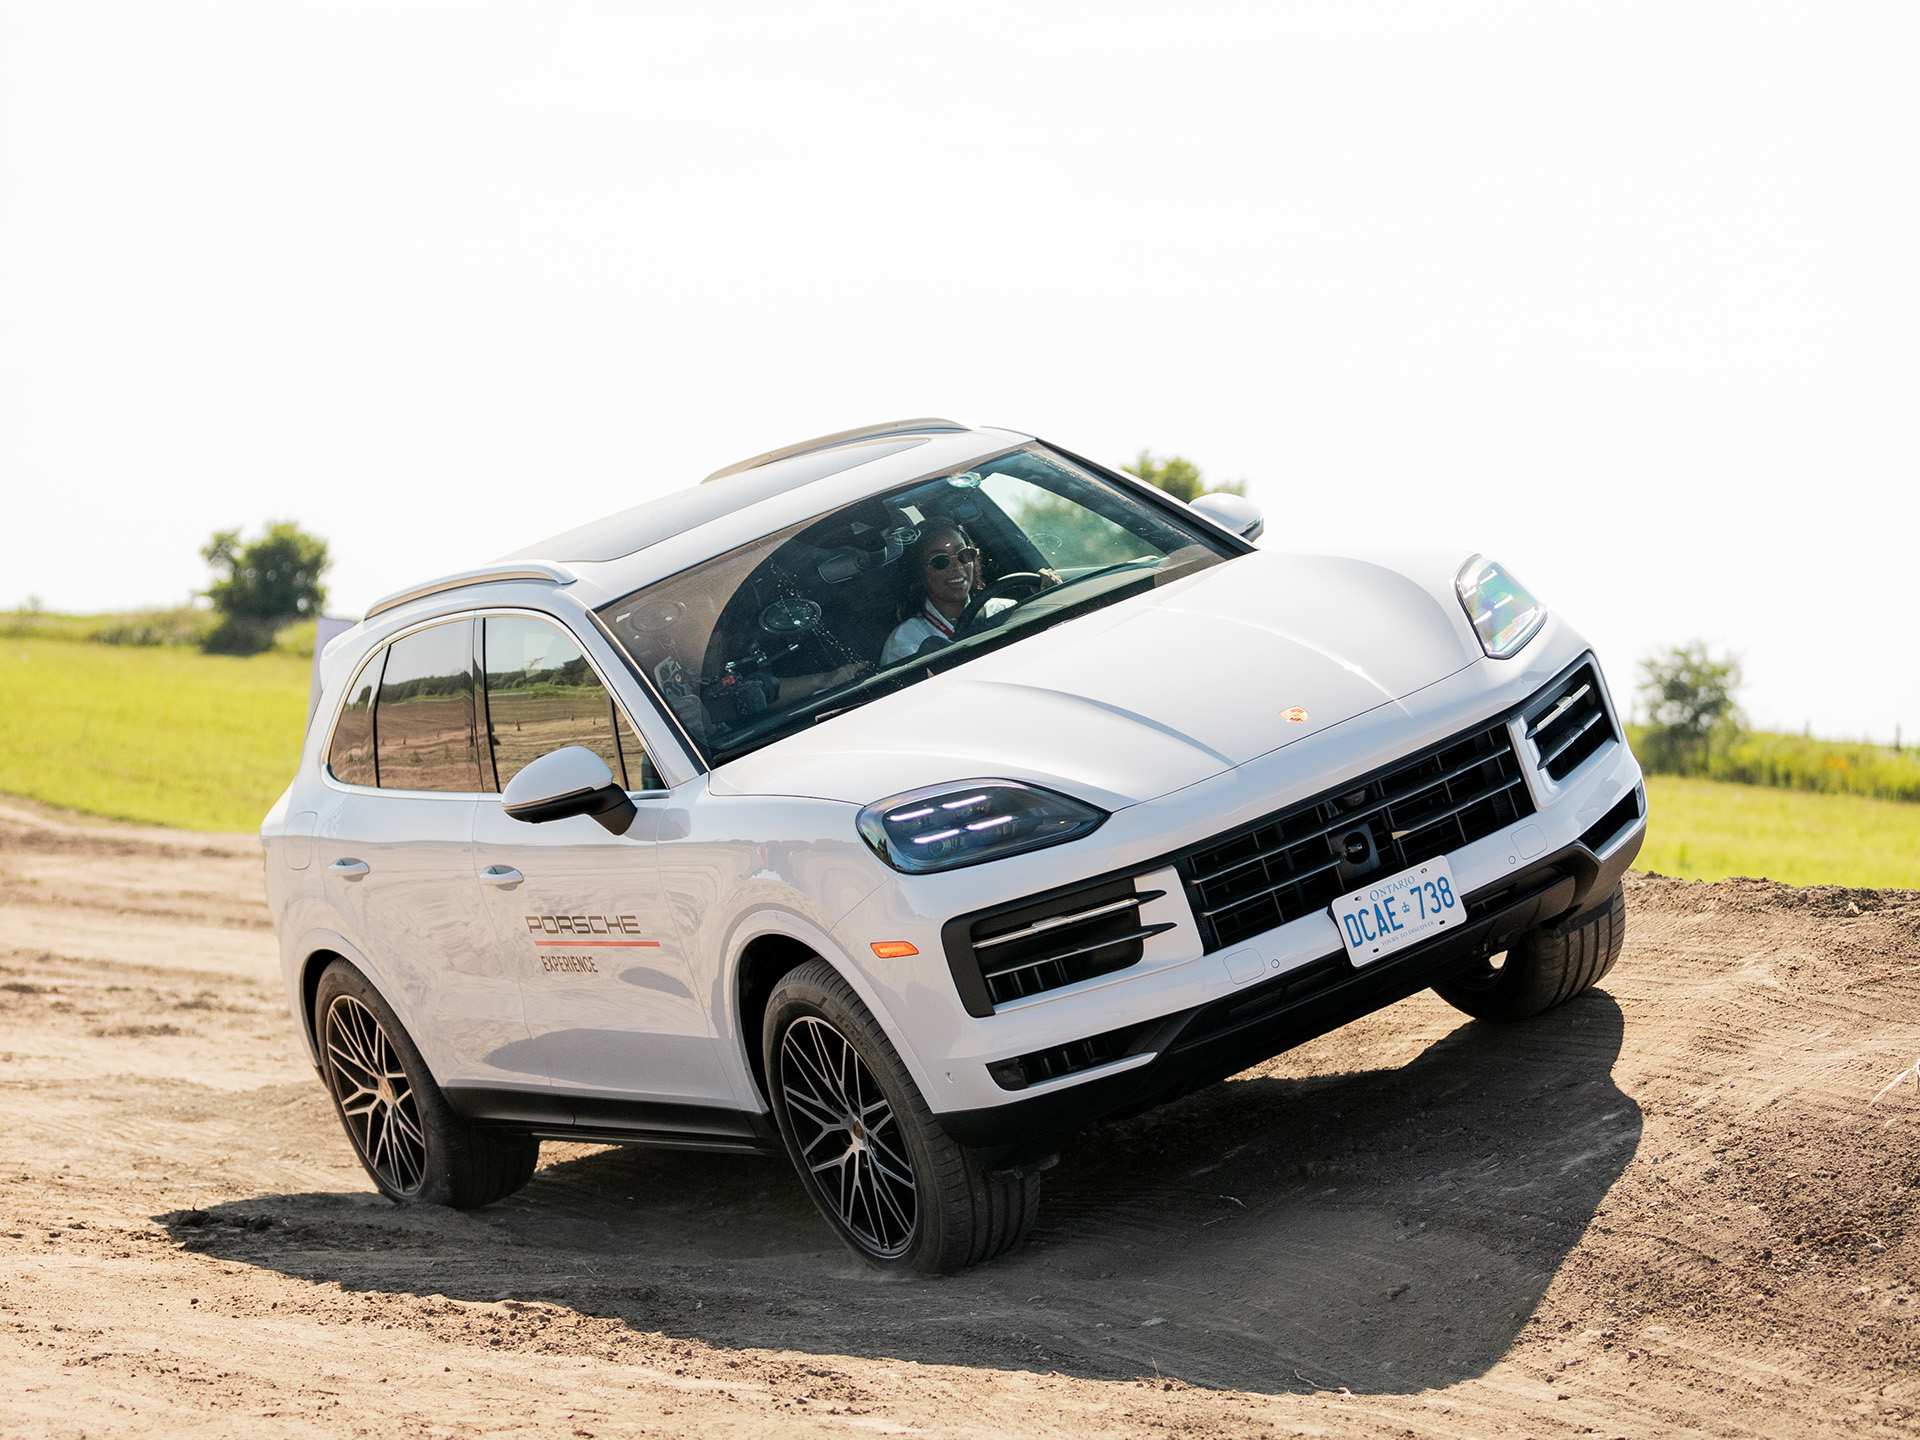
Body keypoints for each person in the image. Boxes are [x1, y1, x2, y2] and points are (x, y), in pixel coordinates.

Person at [880, 522, 1014, 665]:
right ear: (919, 574)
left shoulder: (1005, 610)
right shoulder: (905, 641)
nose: (957, 566)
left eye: (964, 555)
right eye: (940, 561)